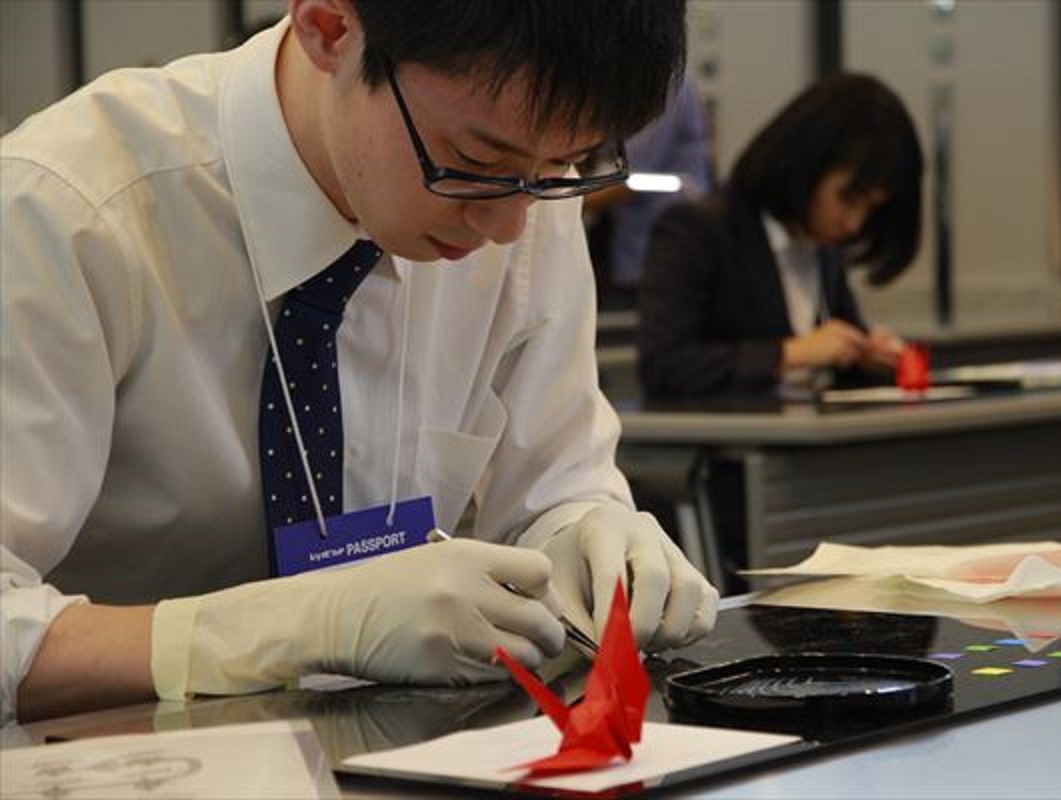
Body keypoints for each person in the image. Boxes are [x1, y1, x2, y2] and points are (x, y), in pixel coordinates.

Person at [0, 0, 718, 725]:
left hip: (417, 748)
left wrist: (586, 537)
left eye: (564, 164)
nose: (507, 227)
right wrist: (285, 630)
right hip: (117, 758)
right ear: (329, 26)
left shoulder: (522, 193)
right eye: (473, 163)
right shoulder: (66, 210)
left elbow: (551, 489)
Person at [637, 73, 923, 398]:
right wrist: (791, 353)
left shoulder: (824, 247)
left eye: (870, 209)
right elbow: (663, 367)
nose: (854, 224)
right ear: (807, 165)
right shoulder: (695, 230)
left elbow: (828, 356)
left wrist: (865, 354)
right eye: (848, 199)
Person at [584, 74, 712, 310]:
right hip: (639, 249)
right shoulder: (625, 85)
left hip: (660, 248)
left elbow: (631, 177)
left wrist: (562, 204)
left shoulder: (664, 86)